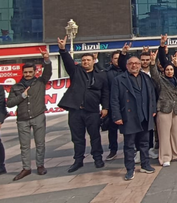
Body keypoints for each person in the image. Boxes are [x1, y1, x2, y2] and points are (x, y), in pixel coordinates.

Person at [57, 36, 109, 173]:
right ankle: (78, 160)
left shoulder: (101, 75)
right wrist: (63, 49)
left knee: (95, 136)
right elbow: (67, 61)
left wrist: (105, 107)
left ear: (94, 62)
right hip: (76, 111)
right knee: (77, 138)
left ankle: (98, 158)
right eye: (83, 60)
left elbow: (105, 93)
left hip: (92, 111)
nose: (85, 62)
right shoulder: (76, 72)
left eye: (88, 60)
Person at [6, 49, 51, 180]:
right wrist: (22, 96)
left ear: (34, 72)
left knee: (40, 143)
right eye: (25, 72)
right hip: (23, 118)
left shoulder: (40, 82)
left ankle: (40, 165)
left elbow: (47, 72)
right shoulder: (16, 86)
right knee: (24, 145)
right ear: (22, 73)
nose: (28, 74)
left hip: (38, 115)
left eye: (30, 72)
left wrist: (46, 59)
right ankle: (26, 168)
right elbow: (9, 103)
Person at [111, 56, 157, 180]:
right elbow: (114, 100)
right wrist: (117, 116)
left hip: (145, 116)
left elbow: (151, 95)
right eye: (131, 63)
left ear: (140, 65)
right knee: (129, 145)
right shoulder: (119, 80)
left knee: (145, 143)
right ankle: (130, 169)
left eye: (137, 63)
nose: (134, 66)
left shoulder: (146, 78)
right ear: (127, 66)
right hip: (128, 116)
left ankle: (145, 164)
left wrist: (152, 110)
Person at [149, 51, 177, 167]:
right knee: (164, 134)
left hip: (176, 110)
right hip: (164, 109)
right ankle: (165, 157)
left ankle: (176, 154)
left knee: (175, 133)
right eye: (167, 70)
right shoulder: (161, 80)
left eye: (171, 69)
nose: (170, 71)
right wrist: (153, 62)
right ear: (164, 71)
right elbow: (154, 74)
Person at [103, 50, 124, 161]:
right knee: (112, 129)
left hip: (126, 104)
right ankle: (113, 150)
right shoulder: (107, 73)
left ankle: (130, 149)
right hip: (113, 105)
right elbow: (105, 91)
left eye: (119, 58)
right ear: (111, 60)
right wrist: (105, 107)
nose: (117, 60)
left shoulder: (126, 71)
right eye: (115, 58)